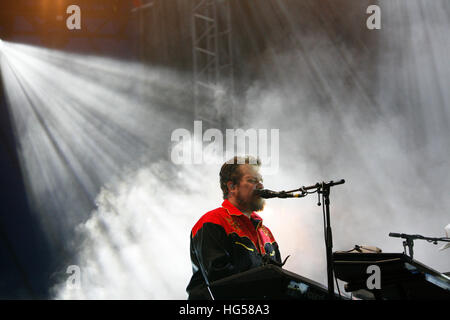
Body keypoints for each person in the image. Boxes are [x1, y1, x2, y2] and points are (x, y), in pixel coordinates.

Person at [186, 156, 282, 299]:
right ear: (232, 187)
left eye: (261, 180)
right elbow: (220, 282)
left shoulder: (266, 233)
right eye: (252, 180)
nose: (261, 186)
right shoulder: (212, 222)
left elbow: (280, 284)